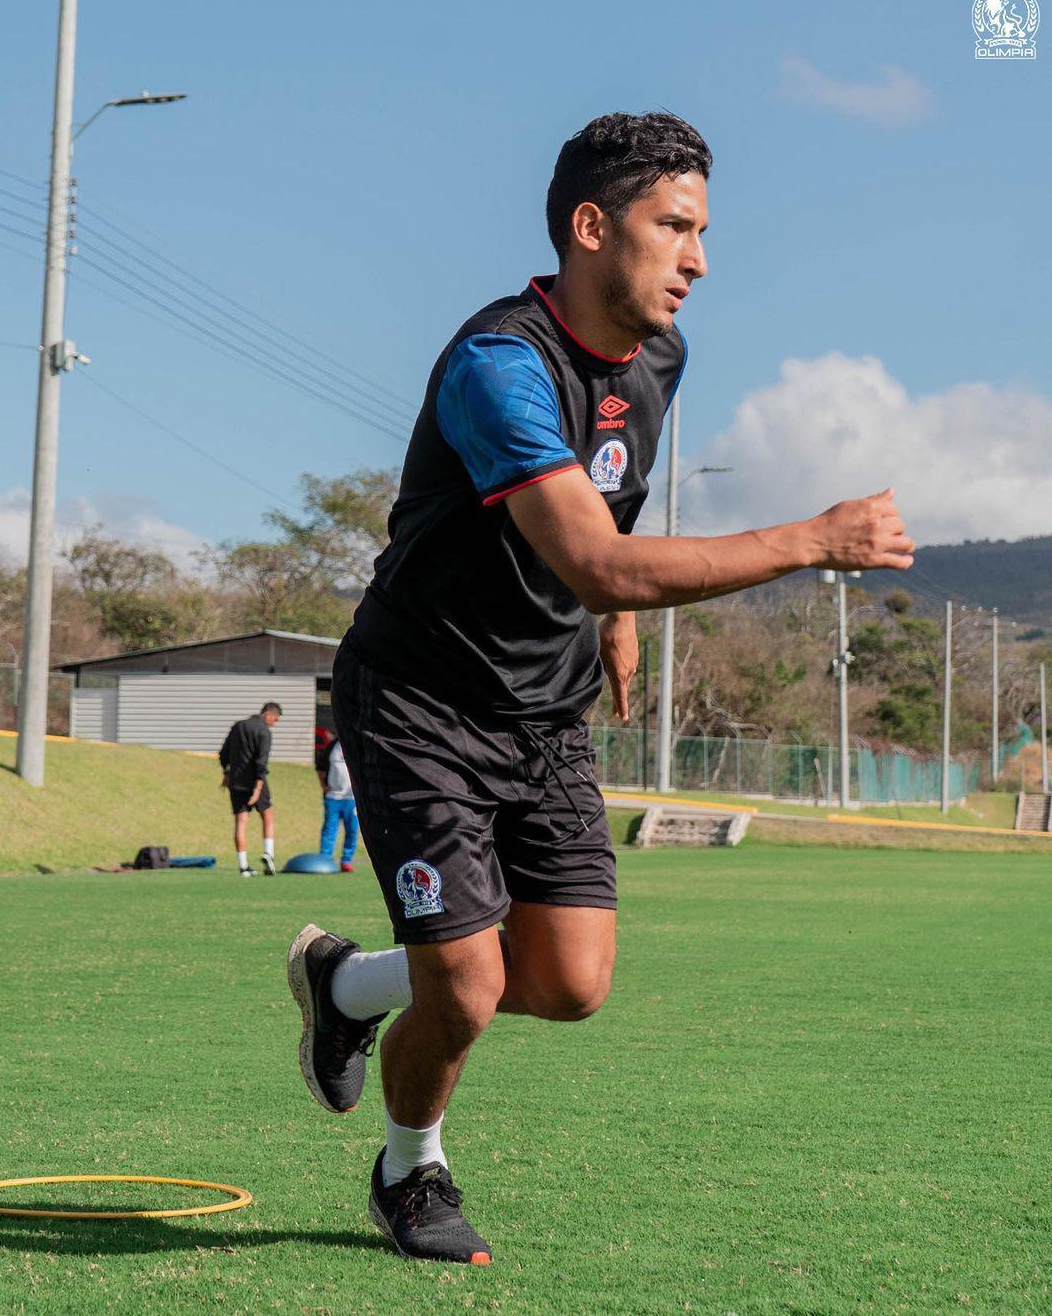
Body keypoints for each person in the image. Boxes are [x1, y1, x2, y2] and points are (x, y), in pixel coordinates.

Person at [286, 111, 914, 1265]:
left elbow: (606, 513)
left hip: (544, 711)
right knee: (469, 989)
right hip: (421, 704)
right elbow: (596, 553)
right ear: (590, 225)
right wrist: (813, 536)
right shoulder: (497, 366)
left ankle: (348, 986)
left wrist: (615, 626)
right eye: (675, 226)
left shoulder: (660, 359)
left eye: (704, 230)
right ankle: (409, 1169)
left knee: (570, 983)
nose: (700, 259)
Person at [219, 702, 282, 877]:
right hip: (255, 781)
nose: (274, 723)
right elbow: (261, 761)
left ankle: (243, 866)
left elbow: (224, 753)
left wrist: (226, 772)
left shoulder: (238, 726)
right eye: (275, 720)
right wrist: (258, 786)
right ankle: (268, 853)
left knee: (241, 821)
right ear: (268, 714)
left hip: (236, 780)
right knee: (267, 815)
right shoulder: (264, 732)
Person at [315, 722, 358, 872]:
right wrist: (323, 786)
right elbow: (320, 766)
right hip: (333, 797)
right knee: (329, 830)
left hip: (352, 799)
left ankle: (346, 861)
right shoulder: (332, 747)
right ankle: (325, 860)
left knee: (352, 830)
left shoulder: (357, 746)